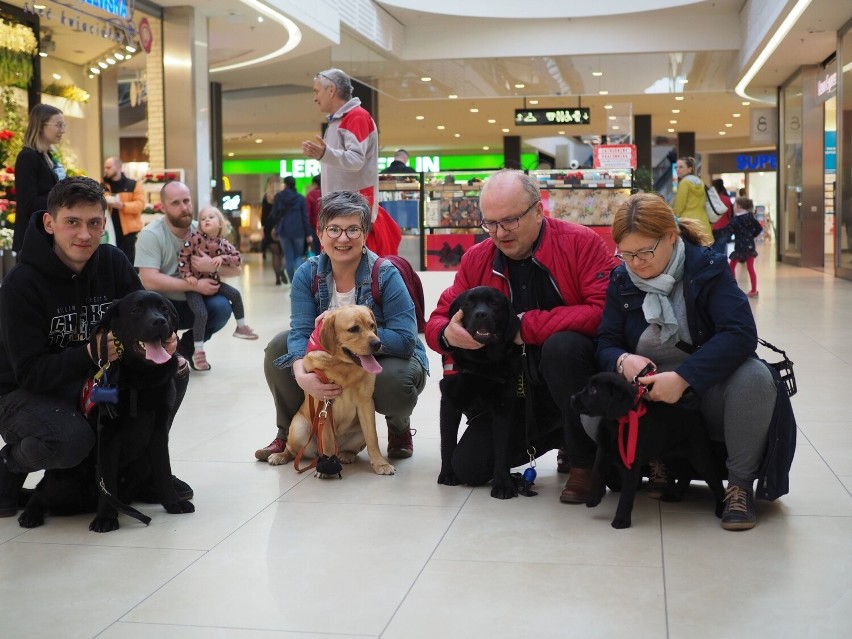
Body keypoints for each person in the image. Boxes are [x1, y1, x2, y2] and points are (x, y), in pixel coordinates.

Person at [0, 176, 192, 517]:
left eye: (94, 223)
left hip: (90, 381)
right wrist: (90, 353)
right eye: (72, 222)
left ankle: (140, 469)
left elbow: (144, 315)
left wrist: (163, 342)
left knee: (171, 372)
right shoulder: (21, 284)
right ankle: (9, 465)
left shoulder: (113, 262)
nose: (84, 235)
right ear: (49, 222)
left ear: (105, 224)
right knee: (71, 439)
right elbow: (29, 373)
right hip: (23, 392)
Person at [424, 169, 614, 504]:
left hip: (571, 376)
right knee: (468, 467)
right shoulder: (477, 258)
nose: (499, 232)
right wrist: (448, 334)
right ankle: (559, 434)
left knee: (562, 348)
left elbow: (603, 310)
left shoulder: (581, 243)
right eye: (490, 223)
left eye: (509, 221)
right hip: (512, 390)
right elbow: (439, 317)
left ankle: (582, 460)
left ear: (538, 211)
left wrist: (522, 328)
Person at [596, 192, 777, 530]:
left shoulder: (706, 267)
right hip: (645, 394)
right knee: (593, 407)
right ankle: (656, 463)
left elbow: (740, 333)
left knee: (755, 378)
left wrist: (683, 378)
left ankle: (738, 486)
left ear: (670, 236)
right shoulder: (622, 280)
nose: (636, 263)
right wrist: (622, 360)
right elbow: (605, 341)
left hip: (703, 387)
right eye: (627, 254)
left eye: (645, 252)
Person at [257, 191, 428, 462]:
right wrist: (302, 375)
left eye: (352, 229)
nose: (343, 238)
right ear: (321, 232)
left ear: (365, 233)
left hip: (387, 355)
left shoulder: (384, 274)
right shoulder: (308, 273)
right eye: (334, 229)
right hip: (336, 358)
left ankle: (399, 428)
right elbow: (301, 331)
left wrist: (350, 330)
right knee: (279, 347)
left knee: (394, 379)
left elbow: (406, 339)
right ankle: (287, 433)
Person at [135, 181, 235, 370]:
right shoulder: (151, 234)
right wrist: (194, 285)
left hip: (194, 304)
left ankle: (186, 346)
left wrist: (212, 266)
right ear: (163, 207)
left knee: (222, 306)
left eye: (187, 201)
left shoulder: (202, 230)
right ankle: (162, 349)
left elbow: (236, 268)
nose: (184, 208)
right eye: (176, 203)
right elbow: (148, 280)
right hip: (163, 304)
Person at [301, 68, 400, 257]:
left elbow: (356, 160)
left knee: (358, 272)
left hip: (353, 211)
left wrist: (324, 154)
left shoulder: (356, 117)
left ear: (331, 90)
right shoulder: (340, 121)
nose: (315, 97)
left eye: (316, 91)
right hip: (345, 211)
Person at [177, 206, 258, 370]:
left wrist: (223, 258)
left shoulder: (223, 243)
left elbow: (237, 259)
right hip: (194, 286)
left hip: (213, 282)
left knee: (234, 294)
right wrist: (187, 276)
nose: (206, 220)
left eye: (211, 217)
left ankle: (241, 327)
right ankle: (198, 351)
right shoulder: (195, 238)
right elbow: (183, 257)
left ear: (220, 224)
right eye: (203, 218)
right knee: (201, 313)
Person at [12, 104, 67, 253]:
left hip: (46, 236)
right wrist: (63, 198)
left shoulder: (47, 156)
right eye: (59, 125)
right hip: (33, 238)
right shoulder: (27, 157)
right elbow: (28, 203)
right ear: (41, 126)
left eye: (64, 125)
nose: (63, 130)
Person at [102, 156, 145, 263]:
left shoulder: (133, 184)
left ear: (118, 167)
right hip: (109, 230)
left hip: (129, 232)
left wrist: (122, 206)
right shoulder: (103, 185)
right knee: (111, 261)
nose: (105, 171)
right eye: (105, 168)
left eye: (108, 168)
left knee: (129, 262)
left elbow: (140, 205)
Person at [272, 176, 312, 283]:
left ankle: (292, 282)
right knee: (298, 256)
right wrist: (308, 233)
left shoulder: (278, 197)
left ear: (285, 184)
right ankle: (299, 282)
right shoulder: (300, 198)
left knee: (288, 257)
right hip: (299, 230)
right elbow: (305, 217)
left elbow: (274, 215)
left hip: (284, 230)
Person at [728, 196, 763, 298]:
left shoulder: (735, 219)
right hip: (749, 246)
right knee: (750, 268)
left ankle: (733, 289)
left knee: (731, 267)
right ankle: (754, 290)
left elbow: (729, 230)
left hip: (739, 247)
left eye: (734, 205)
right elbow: (759, 228)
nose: (733, 207)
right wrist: (753, 235)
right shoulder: (750, 217)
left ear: (739, 206)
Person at [672, 156, 712, 237]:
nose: (677, 169)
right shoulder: (700, 182)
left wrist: (673, 218)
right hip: (703, 222)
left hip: (688, 223)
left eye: (681, 167)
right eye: (676, 167)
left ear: (690, 169)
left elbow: (679, 206)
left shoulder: (684, 183)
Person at [260, 176, 285, 285]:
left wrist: (264, 226)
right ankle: (282, 270)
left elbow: (264, 216)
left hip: (270, 227)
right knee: (283, 253)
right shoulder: (284, 196)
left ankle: (277, 278)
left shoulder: (266, 197)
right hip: (283, 227)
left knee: (275, 254)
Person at [710, 178, 734, 257]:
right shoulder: (727, 199)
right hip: (725, 228)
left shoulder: (712, 199)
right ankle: (722, 267)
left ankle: (717, 268)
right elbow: (731, 214)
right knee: (721, 251)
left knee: (714, 252)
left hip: (713, 229)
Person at [306, 174, 322, 252]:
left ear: (314, 183)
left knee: (317, 251)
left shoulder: (311, 195)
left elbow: (307, 213)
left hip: (315, 226)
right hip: (329, 225)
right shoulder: (329, 192)